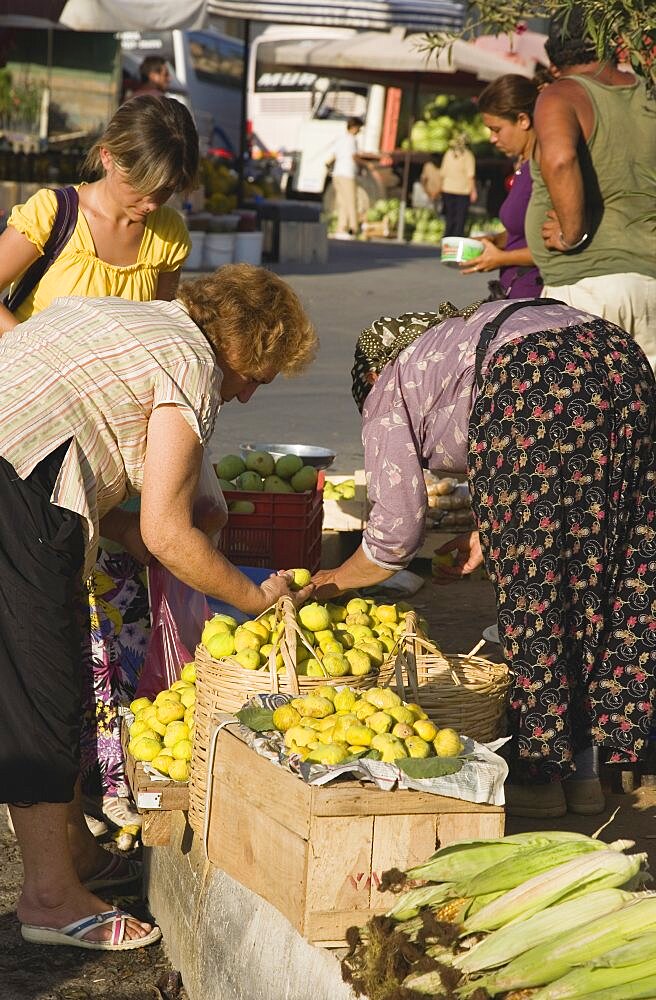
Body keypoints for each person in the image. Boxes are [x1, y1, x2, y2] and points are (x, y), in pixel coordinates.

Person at [0, 263, 317, 951]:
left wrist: (122, 534)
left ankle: (77, 855)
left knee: (38, 684)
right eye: (259, 375)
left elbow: (84, 441)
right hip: (12, 496)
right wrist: (254, 596)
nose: (252, 394)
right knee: (41, 696)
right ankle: (51, 899)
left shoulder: (125, 315)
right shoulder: (191, 364)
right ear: (243, 346)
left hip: (13, 478)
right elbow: (169, 532)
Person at [313, 297, 656, 820]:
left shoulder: (391, 382)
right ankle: (590, 772)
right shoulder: (459, 345)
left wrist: (330, 582)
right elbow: (559, 482)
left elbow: (394, 539)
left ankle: (541, 778)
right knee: (605, 566)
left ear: (372, 371)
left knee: (535, 594)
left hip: (534, 378)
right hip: (620, 363)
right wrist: (491, 530)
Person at [0, 95, 198, 831]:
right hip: (35, 448)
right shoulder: (52, 216)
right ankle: (47, 789)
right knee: (44, 628)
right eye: (140, 185)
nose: (149, 203)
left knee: (110, 637)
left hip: (110, 459)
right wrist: (32, 354)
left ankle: (95, 781)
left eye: (165, 191)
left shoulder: (166, 236)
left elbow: (164, 335)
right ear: (107, 158)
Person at [524, 8, 656, 368]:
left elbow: (561, 160)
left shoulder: (562, 95)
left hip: (588, 285)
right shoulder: (648, 94)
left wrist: (571, 233)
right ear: (611, 43)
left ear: (554, 54)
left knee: (582, 417)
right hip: (650, 284)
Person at [460, 75, 542, 300]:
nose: (492, 139)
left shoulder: (544, 169)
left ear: (523, 120)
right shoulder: (524, 165)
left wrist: (502, 258)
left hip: (533, 298)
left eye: (497, 129)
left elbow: (552, 246)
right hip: (514, 290)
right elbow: (524, 228)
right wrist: (494, 241)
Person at [329, 116, 365, 239]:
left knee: (342, 202)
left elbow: (333, 156)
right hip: (347, 174)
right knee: (351, 202)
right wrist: (366, 165)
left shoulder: (340, 138)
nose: (360, 131)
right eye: (359, 128)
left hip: (337, 174)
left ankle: (341, 228)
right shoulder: (351, 140)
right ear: (354, 128)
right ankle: (354, 229)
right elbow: (353, 156)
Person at [439, 133, 477, 237]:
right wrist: (473, 191)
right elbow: (470, 175)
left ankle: (447, 238)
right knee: (460, 218)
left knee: (449, 217)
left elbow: (442, 173)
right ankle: (456, 240)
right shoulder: (468, 156)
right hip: (462, 191)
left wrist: (440, 187)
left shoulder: (448, 154)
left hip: (447, 189)